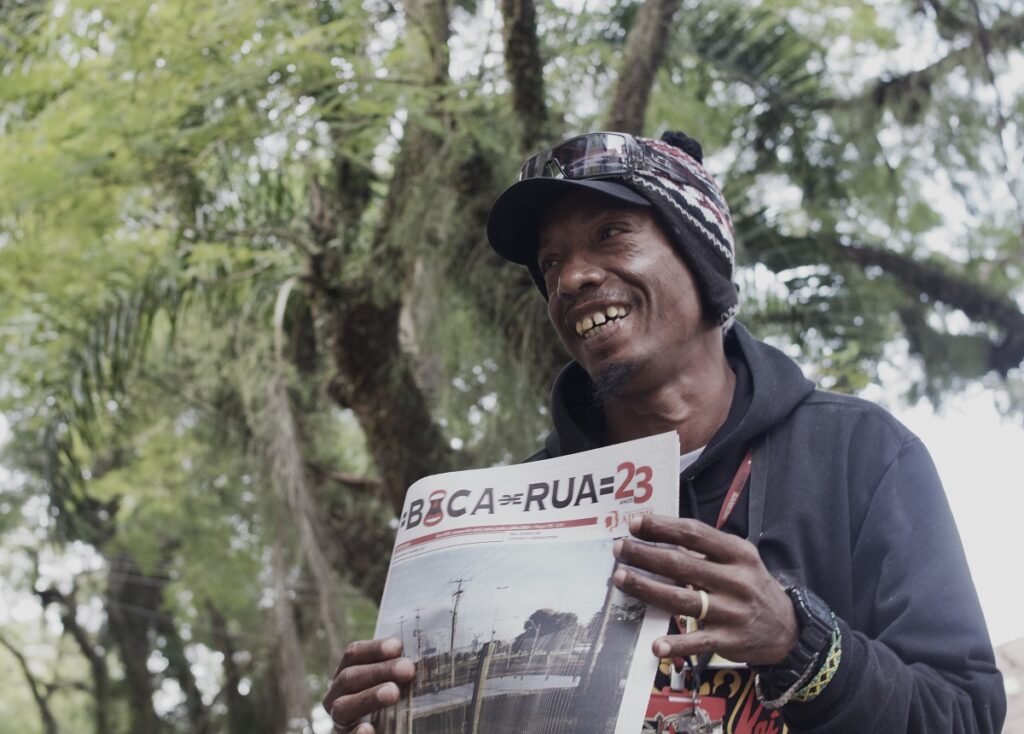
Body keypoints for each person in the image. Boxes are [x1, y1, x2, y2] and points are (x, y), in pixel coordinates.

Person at [322, 131, 1007, 733]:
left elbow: (966, 714)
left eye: (611, 234)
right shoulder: (508, 515)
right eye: (551, 264)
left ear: (701, 257)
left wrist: (803, 642)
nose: (571, 279)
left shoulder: (861, 454)